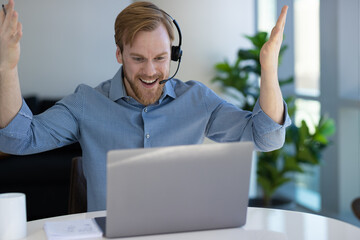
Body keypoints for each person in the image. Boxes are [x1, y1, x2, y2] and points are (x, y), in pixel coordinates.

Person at [0, 1, 291, 211]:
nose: (150, 71)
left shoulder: (197, 100)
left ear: (174, 55)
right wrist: (7, 68)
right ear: (119, 54)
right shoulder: (87, 103)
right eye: (138, 58)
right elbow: (18, 139)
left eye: (161, 58)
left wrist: (269, 69)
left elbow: (266, 137)